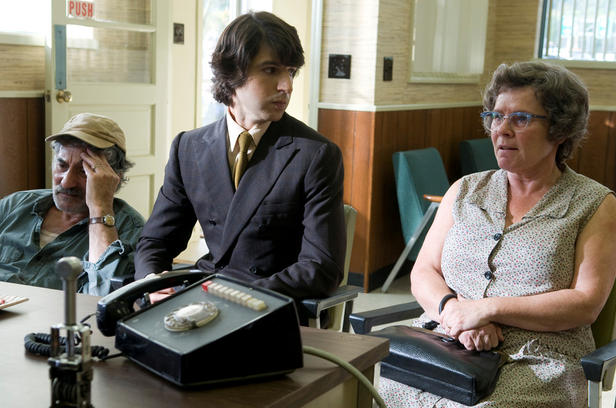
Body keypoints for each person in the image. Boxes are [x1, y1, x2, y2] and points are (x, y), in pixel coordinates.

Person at [380, 61, 616, 407]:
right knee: (376, 391)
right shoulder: (464, 190)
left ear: (560, 129)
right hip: (445, 343)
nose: (501, 129)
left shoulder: (594, 203)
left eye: (520, 118)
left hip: (538, 360)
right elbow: (424, 271)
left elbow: (585, 304)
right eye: (495, 116)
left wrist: (486, 309)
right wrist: (455, 314)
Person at [134, 12, 345, 311]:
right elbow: (155, 241)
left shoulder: (315, 155)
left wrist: (232, 296)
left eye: (291, 71)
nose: (287, 85)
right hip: (200, 299)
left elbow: (322, 266)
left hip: (268, 308)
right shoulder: (189, 147)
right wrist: (153, 281)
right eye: (271, 70)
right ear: (232, 74)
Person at [0, 113, 145, 295]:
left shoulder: (131, 229)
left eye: (85, 171)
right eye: (62, 165)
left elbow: (102, 297)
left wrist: (99, 209)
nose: (66, 182)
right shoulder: (16, 204)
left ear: (114, 178)